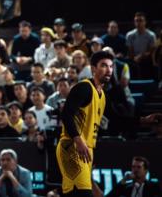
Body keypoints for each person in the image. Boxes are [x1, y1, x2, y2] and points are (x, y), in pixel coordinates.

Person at [56, 50, 114, 197]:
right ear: (93, 69)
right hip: (73, 146)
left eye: (111, 66)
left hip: (86, 148)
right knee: (84, 194)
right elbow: (66, 114)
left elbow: (116, 120)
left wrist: (143, 120)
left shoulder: (102, 95)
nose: (109, 70)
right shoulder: (84, 87)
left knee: (72, 193)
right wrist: (78, 139)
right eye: (104, 66)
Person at [126, 12, 157, 78]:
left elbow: (151, 51)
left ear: (145, 22)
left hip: (147, 59)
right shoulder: (129, 35)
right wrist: (134, 58)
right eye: (136, 21)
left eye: (140, 21)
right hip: (133, 59)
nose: (138, 23)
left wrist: (141, 56)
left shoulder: (151, 35)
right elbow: (130, 50)